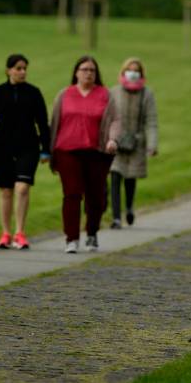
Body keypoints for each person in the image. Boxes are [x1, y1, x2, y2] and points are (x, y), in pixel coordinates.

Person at [50, 56, 120, 254]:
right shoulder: (65, 94)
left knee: (95, 196)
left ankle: (92, 233)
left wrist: (112, 139)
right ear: (76, 72)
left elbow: (115, 120)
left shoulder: (105, 94)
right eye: (84, 69)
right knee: (71, 194)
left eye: (92, 70)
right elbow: (54, 121)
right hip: (67, 151)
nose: (88, 73)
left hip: (96, 152)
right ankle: (71, 238)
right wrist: (48, 150)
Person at [0, 54, 51, 250]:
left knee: (22, 188)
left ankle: (20, 232)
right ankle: (5, 232)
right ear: (8, 70)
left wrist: (46, 149)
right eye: (18, 68)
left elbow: (42, 123)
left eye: (24, 68)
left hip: (28, 147)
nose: (22, 72)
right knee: (6, 190)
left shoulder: (34, 93)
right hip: (2, 147)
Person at [108, 57, 159, 229]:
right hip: (116, 142)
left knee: (130, 177)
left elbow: (151, 121)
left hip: (136, 143)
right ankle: (116, 217)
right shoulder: (114, 92)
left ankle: (129, 207)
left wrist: (152, 144)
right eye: (130, 69)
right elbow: (107, 118)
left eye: (136, 70)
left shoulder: (146, 94)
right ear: (123, 72)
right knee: (115, 176)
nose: (133, 73)